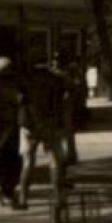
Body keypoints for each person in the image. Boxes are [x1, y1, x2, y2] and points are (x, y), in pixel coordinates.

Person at [18, 58, 71, 208]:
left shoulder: (24, 80)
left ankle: (23, 197)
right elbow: (65, 97)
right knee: (54, 161)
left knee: (28, 162)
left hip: (29, 125)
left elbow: (21, 101)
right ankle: (58, 197)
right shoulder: (56, 80)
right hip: (50, 125)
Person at [0, 57, 24, 209]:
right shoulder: (5, 86)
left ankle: (7, 192)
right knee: (9, 162)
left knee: (9, 162)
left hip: (4, 128)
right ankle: (7, 192)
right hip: (7, 128)